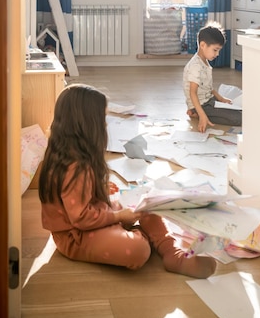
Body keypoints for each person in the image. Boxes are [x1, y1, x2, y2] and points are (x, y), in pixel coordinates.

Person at [38, 83, 216, 278]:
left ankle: (172, 253)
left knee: (147, 206)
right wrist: (119, 218)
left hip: (95, 216)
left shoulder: (71, 154)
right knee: (137, 250)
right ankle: (148, 239)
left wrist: (99, 190)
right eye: (102, 120)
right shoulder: (75, 166)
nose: (105, 125)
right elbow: (81, 218)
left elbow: (78, 198)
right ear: (86, 126)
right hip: (75, 236)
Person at [183, 23, 242, 133]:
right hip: (201, 105)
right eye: (215, 50)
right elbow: (192, 93)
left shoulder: (204, 62)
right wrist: (202, 116)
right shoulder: (195, 66)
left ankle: (199, 112)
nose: (218, 54)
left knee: (236, 107)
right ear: (203, 45)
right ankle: (198, 113)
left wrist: (221, 99)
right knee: (238, 118)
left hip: (209, 100)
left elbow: (209, 88)